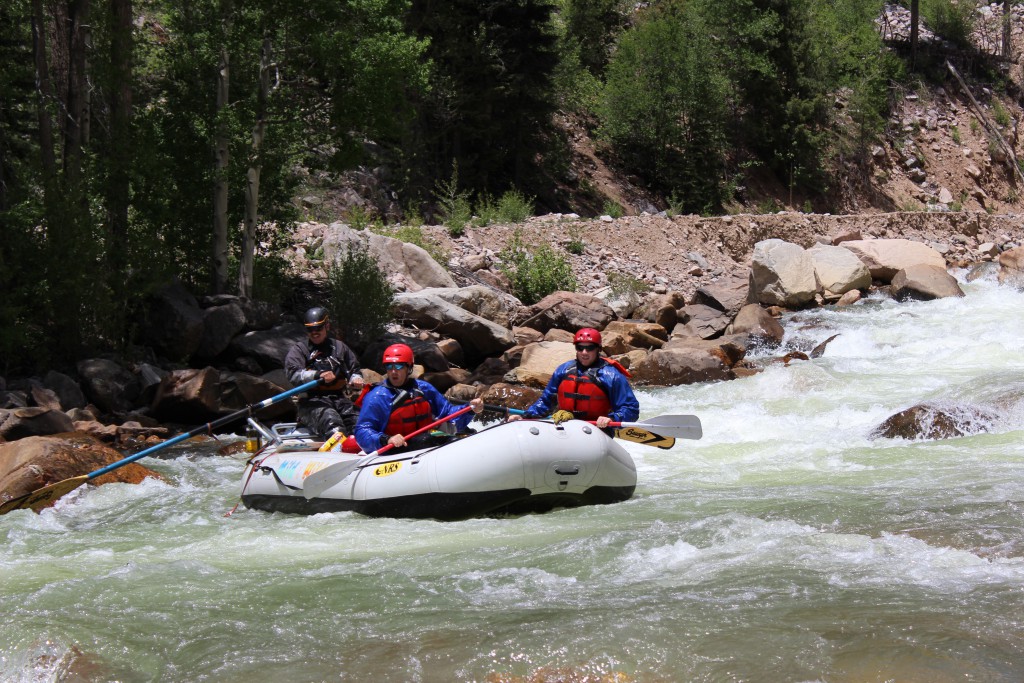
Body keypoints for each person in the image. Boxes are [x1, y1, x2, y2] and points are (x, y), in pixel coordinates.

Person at [355, 343, 483, 453]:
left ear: (409, 368)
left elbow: (448, 413)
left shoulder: (423, 388)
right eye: (389, 366)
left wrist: (470, 409)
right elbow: (362, 431)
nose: (393, 371)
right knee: (425, 440)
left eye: (399, 366)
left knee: (458, 438)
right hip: (394, 449)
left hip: (424, 443)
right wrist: (386, 439)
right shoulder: (377, 396)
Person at [509, 328, 639, 428]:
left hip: (598, 429)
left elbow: (631, 408)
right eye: (580, 347)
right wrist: (525, 417)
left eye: (589, 348)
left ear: (598, 349)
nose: (584, 353)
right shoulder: (563, 370)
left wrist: (613, 418)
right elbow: (546, 401)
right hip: (567, 426)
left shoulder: (611, 375)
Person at [283, 307, 365, 440]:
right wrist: (317, 375)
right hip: (310, 402)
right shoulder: (299, 350)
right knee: (333, 424)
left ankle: (362, 449)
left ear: (327, 326)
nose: (314, 332)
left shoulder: (340, 347)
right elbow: (293, 374)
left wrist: (356, 379)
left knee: (360, 424)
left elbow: (354, 369)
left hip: (339, 399)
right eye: (310, 329)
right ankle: (340, 451)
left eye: (318, 328)